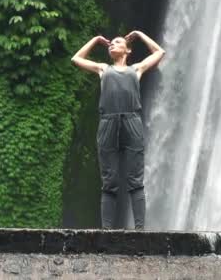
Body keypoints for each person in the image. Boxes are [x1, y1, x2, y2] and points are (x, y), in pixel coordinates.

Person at [70, 30, 166, 229]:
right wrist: (96, 40)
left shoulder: (136, 69)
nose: (112, 44)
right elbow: (76, 58)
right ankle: (106, 230)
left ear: (128, 50)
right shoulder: (103, 69)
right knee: (109, 180)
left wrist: (139, 34)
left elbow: (160, 52)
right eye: (110, 43)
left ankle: (139, 230)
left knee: (135, 180)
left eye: (117, 42)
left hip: (132, 121)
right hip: (108, 123)